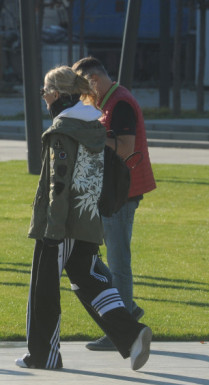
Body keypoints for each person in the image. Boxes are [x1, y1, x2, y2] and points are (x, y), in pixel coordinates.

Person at [16, 65, 152, 371]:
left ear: (54, 94)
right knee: (90, 281)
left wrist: (52, 229)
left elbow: (58, 185)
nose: (43, 98)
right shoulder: (94, 127)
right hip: (89, 221)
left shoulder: (61, 131)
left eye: (44, 92)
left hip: (60, 225)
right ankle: (132, 335)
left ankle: (43, 355)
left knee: (43, 289)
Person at [72, 57, 157, 351]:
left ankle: (123, 328)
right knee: (103, 258)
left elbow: (125, 148)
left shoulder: (119, 103)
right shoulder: (110, 101)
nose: (85, 95)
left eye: (85, 88)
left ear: (95, 79)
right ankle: (128, 310)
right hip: (116, 190)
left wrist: (91, 136)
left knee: (119, 263)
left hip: (123, 191)